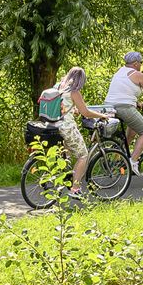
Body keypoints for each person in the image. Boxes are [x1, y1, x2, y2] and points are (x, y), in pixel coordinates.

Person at [37, 66, 114, 195]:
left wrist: (73, 109)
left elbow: (62, 104)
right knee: (83, 156)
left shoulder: (58, 86)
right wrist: (102, 115)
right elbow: (86, 112)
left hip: (53, 125)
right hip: (66, 127)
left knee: (64, 154)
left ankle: (52, 176)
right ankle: (75, 189)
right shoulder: (74, 91)